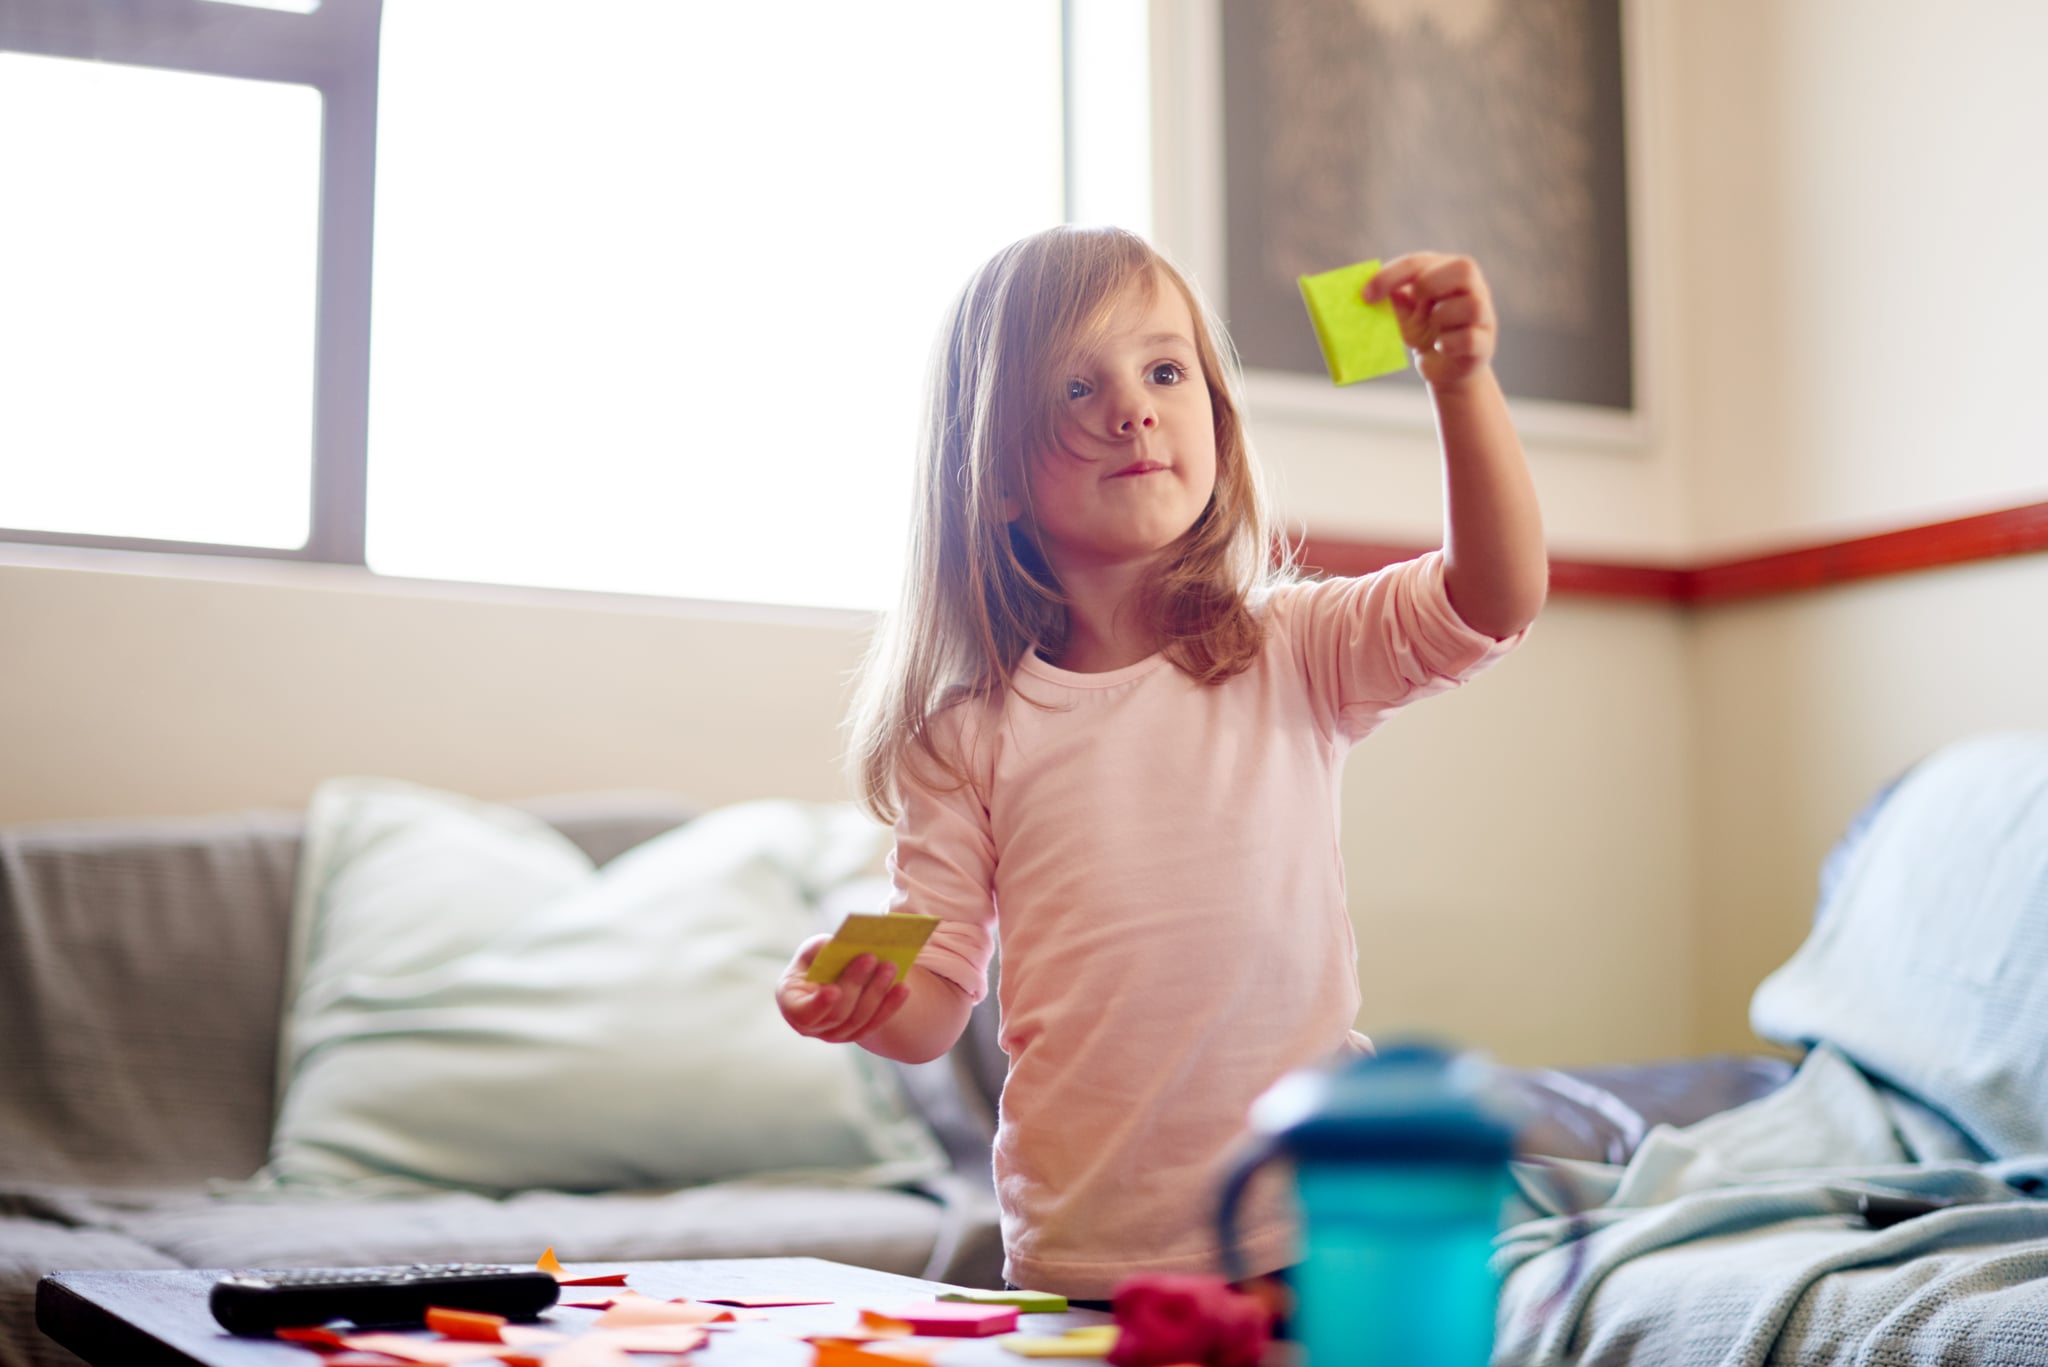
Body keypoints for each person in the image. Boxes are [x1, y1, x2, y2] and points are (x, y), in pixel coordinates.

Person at [776, 224, 1547, 1301]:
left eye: (1163, 369)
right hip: (1081, 1246)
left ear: (1217, 431)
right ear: (991, 477)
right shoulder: (959, 734)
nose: (1130, 407)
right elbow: (930, 1009)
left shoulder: (1295, 648)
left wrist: (1458, 384)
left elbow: (1492, 598)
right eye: (1073, 389)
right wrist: (855, 988)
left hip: (1296, 1218)